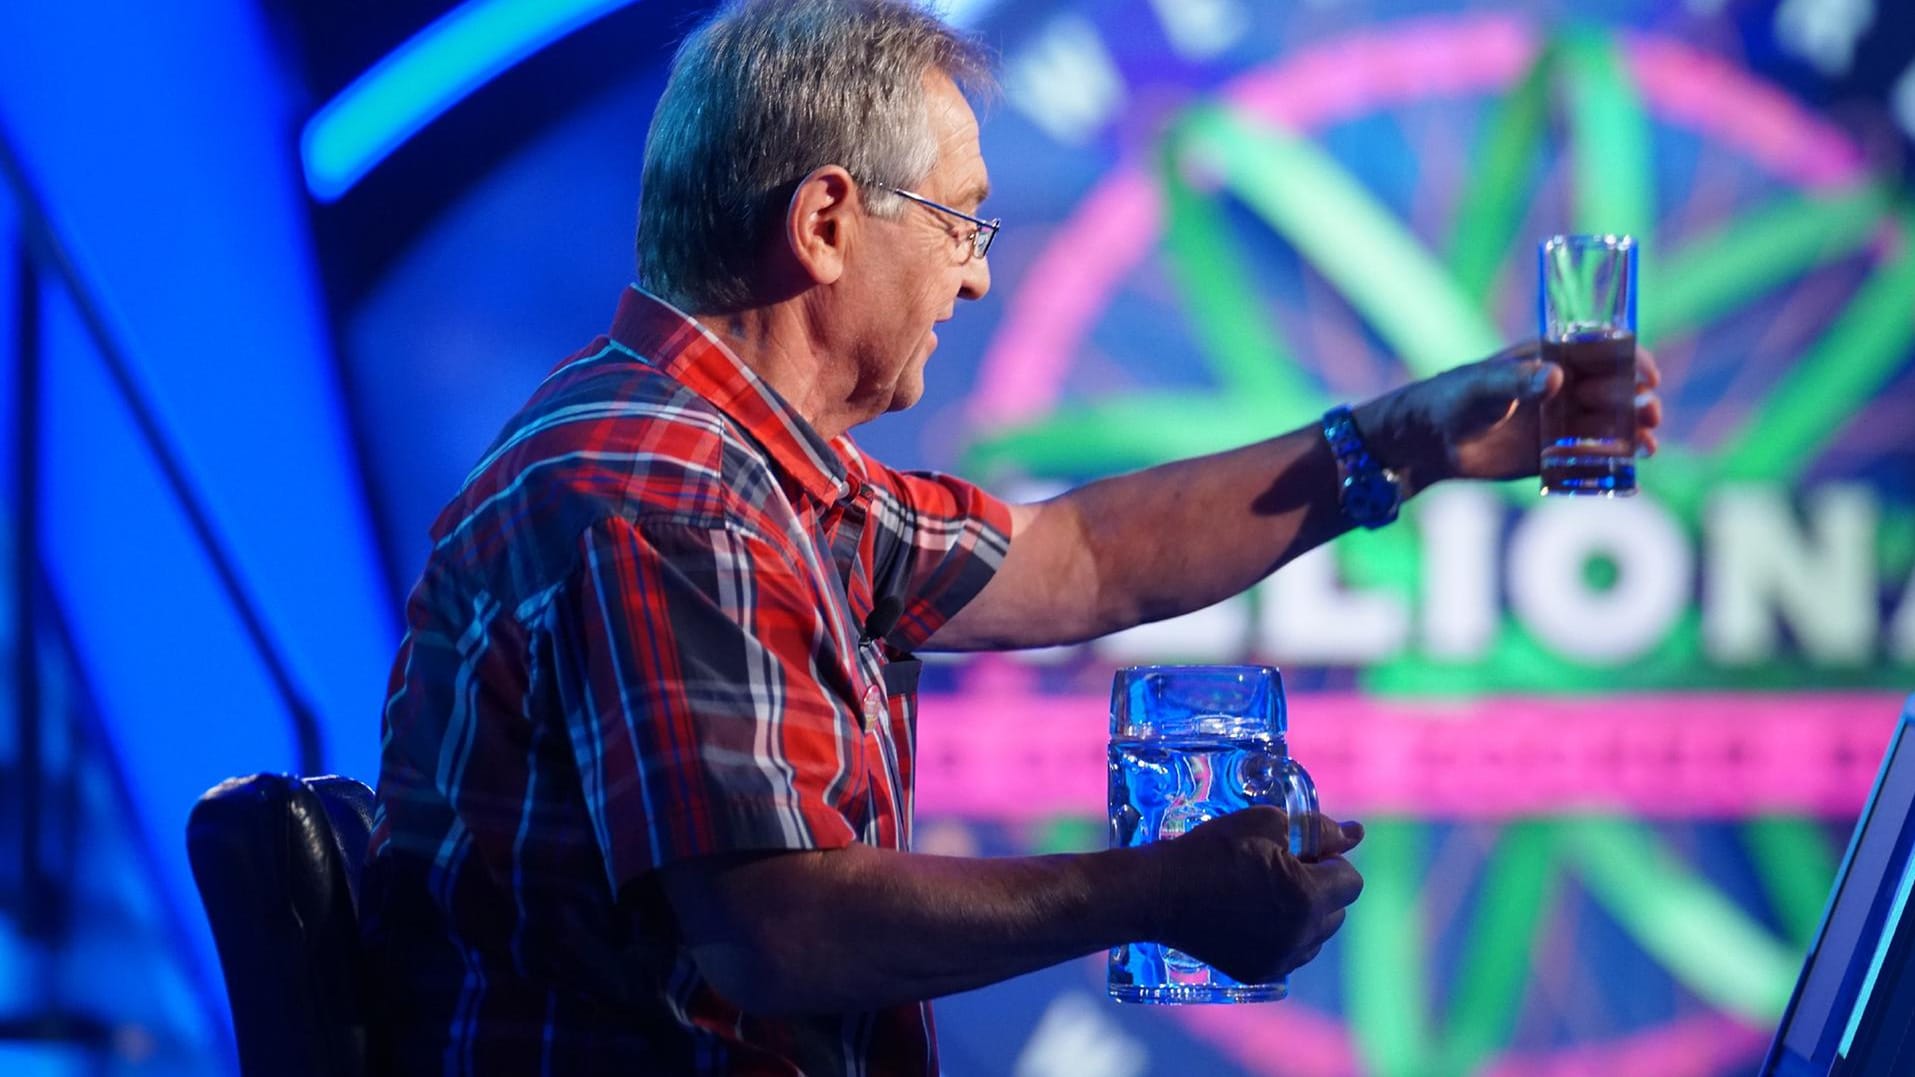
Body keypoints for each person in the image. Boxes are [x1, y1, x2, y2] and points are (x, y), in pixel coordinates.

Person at [358, 1, 1664, 1073]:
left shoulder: (741, 462)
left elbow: (1077, 559)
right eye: (959, 222)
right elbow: (779, 933)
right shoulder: (671, 493)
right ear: (825, 223)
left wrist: (1409, 438)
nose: (978, 274)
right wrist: (1155, 892)